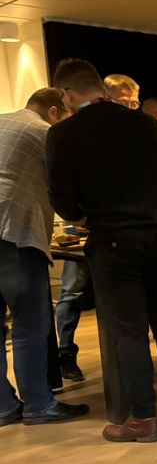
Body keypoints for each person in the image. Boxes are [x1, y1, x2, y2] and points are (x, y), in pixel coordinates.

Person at [48, 58, 157, 442]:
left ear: (67, 93)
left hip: (113, 238)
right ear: (100, 87)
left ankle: (142, 419)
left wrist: (83, 216)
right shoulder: (146, 124)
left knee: (129, 331)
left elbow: (62, 198)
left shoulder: (64, 134)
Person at [0, 88, 88, 427]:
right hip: (13, 235)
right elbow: (66, 186)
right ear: (54, 112)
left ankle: (3, 406)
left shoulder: (4, 122)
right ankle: (38, 403)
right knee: (30, 323)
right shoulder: (44, 132)